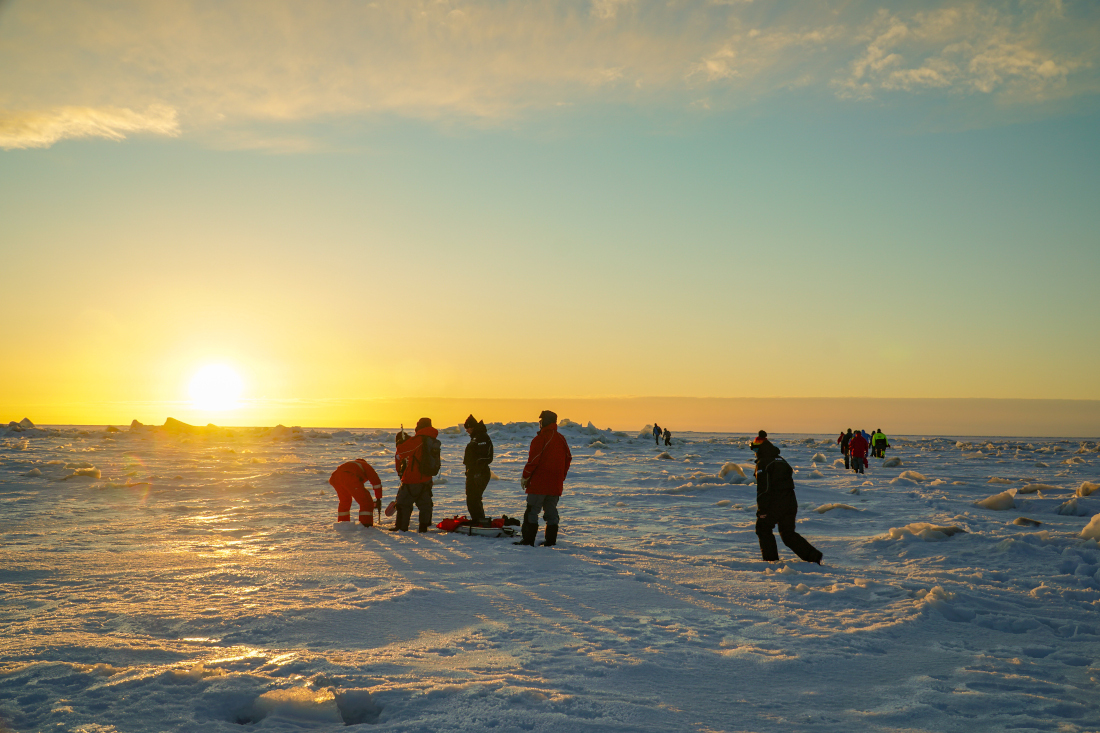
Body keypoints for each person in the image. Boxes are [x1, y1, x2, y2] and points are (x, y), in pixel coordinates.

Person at [751, 430, 822, 564]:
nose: (754, 452)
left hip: (776, 502)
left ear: (760, 448)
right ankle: (813, 556)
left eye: (755, 448)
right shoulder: (781, 460)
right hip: (790, 502)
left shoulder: (763, 463)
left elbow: (763, 489)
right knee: (788, 534)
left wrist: (762, 511)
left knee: (763, 528)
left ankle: (770, 561)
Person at [515, 410, 572, 547]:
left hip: (539, 484)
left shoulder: (541, 438)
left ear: (545, 422)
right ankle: (550, 541)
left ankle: (528, 540)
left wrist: (525, 476)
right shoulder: (561, 439)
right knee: (551, 513)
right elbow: (568, 458)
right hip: (555, 485)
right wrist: (561, 477)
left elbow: (533, 460)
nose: (539, 423)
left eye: (541, 421)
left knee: (532, 511)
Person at [392, 417, 440, 532]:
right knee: (425, 504)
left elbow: (402, 452)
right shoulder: (432, 440)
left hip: (412, 479)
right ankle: (424, 527)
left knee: (403, 503)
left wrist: (400, 443)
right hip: (427, 478)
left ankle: (401, 528)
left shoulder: (418, 439)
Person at [328, 458, 382, 526]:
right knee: (365, 501)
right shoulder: (366, 466)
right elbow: (376, 483)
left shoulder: (352, 465)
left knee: (345, 501)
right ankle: (366, 524)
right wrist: (378, 498)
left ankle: (343, 523)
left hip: (334, 478)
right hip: (348, 477)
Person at [462, 414, 494, 524]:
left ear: (473, 427)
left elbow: (484, 457)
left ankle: (479, 521)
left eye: (468, 428)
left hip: (479, 473)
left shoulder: (481, 438)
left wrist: (477, 473)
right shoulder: (477, 437)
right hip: (474, 472)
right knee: (472, 498)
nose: (466, 431)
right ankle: (477, 520)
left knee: (474, 498)